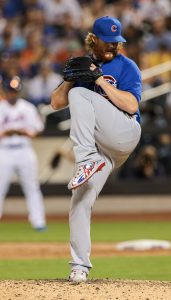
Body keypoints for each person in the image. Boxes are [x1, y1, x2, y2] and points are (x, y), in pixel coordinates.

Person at [51, 16, 142, 282]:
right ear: (94, 40)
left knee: (80, 95)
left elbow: (132, 106)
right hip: (102, 149)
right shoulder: (82, 64)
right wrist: (70, 79)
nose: (114, 46)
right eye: (108, 42)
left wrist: (99, 80)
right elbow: (56, 102)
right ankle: (79, 265)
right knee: (80, 199)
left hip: (124, 133)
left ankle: (86, 159)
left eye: (117, 42)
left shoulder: (128, 67)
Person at [0, 76, 46, 230]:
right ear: (5, 91)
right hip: (4, 151)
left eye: (15, 91)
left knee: (32, 187)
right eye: (10, 91)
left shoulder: (27, 108)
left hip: (24, 150)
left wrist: (21, 132)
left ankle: (38, 222)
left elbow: (37, 130)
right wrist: (7, 132)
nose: (12, 94)